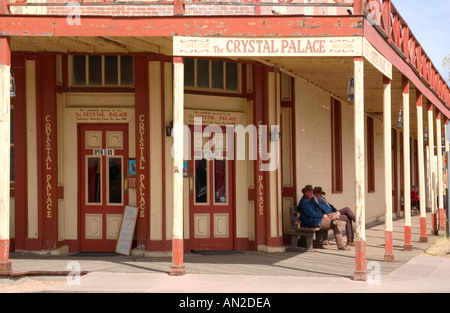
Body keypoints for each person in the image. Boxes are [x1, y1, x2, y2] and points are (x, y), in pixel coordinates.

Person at [297, 185, 349, 251]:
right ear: (305, 192)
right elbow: (311, 213)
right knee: (335, 225)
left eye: (312, 192)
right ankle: (341, 246)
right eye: (309, 192)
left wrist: (323, 214)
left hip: (317, 219)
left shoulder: (310, 200)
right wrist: (322, 215)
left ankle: (335, 220)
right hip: (312, 221)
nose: (311, 193)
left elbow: (318, 209)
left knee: (335, 214)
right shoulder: (304, 202)